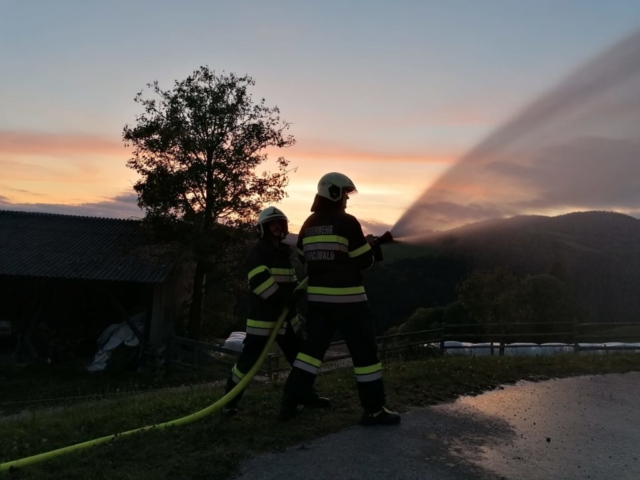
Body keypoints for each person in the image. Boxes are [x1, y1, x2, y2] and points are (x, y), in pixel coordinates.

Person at [280, 173, 401, 425]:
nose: (346, 199)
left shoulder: (308, 223)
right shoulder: (347, 222)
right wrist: (372, 251)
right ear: (333, 192)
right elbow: (363, 261)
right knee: (365, 356)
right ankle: (373, 410)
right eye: (344, 193)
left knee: (310, 353)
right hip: (350, 303)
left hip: (318, 303)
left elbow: (303, 255)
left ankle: (290, 402)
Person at [223, 206, 330, 416]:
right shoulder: (258, 251)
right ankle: (230, 401)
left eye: (279, 223)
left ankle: (306, 395)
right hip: (264, 320)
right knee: (248, 363)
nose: (276, 227)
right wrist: (285, 300)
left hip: (286, 318)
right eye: (272, 224)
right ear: (263, 228)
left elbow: (289, 280)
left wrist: (297, 291)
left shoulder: (283, 252)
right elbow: (260, 282)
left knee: (300, 359)